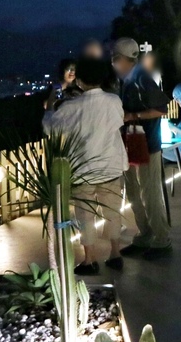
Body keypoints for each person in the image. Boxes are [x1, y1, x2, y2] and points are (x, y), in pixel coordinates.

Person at [42, 58, 128, 275]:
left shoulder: (72, 107)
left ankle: (90, 259)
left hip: (83, 170)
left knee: (85, 216)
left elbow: (50, 127)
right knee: (113, 212)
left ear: (79, 81)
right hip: (110, 165)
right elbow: (118, 122)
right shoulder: (113, 101)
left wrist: (51, 105)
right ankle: (115, 253)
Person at [112, 38, 171, 259]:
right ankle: (145, 233)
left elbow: (161, 109)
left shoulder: (141, 78)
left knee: (150, 190)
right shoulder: (127, 80)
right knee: (134, 190)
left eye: (115, 58)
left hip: (147, 143)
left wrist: (133, 116)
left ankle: (161, 237)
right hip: (130, 142)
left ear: (124, 59)